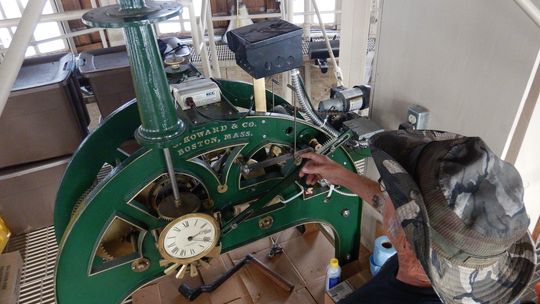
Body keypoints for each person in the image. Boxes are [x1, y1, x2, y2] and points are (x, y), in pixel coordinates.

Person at [299, 129, 536, 304]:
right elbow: (389, 207)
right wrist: (341, 175)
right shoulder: (446, 260)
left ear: (408, 238)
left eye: (391, 189)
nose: (384, 191)